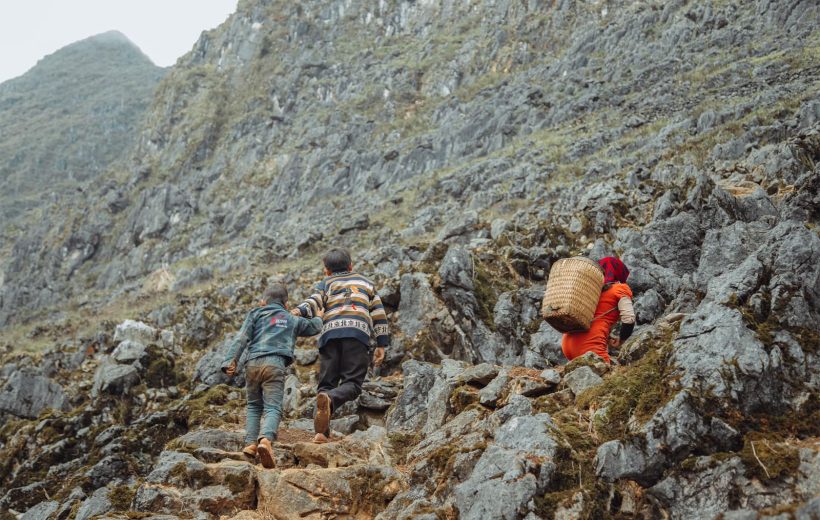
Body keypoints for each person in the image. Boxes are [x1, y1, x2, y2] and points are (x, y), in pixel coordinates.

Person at [291, 248, 390, 443]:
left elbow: (314, 301)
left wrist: (298, 311)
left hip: (330, 337)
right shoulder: (366, 284)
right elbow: (379, 315)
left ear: (326, 270)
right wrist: (382, 344)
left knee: (326, 384)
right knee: (352, 384)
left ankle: (321, 433)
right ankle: (330, 401)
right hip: (357, 336)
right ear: (351, 266)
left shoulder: (326, 283)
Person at [221, 284, 322, 468]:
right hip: (275, 364)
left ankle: (251, 444)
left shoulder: (256, 313)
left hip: (252, 363)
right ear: (286, 303)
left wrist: (230, 361)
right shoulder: (292, 318)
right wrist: (319, 317)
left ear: (263, 301)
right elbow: (314, 327)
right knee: (272, 407)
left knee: (253, 406)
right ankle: (266, 440)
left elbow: (241, 338)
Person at [561, 257, 635, 364]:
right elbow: (629, 319)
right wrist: (622, 339)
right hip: (590, 344)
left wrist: (608, 338)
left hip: (567, 343)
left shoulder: (590, 290)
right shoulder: (619, 289)